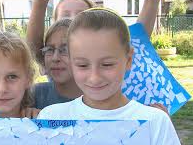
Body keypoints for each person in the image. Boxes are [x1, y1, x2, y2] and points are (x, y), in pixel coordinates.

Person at [37, 8, 180, 145]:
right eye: (82, 65)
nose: (95, 77)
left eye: (107, 64)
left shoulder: (155, 122)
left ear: (129, 60)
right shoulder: (51, 118)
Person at [28, 0, 164, 109]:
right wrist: (40, 0)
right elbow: (33, 48)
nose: (73, 20)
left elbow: (138, 39)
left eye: (81, 16)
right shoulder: (53, 61)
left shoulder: (112, 72)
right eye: (65, 16)